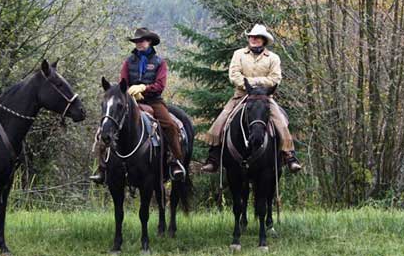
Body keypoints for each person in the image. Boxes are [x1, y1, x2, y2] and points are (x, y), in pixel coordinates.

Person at [200, 24, 301, 173]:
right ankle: (213, 158)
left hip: (264, 97)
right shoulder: (238, 54)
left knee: (281, 122)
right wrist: (249, 85)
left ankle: (289, 155)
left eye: (257, 37)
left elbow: (275, 79)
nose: (253, 39)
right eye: (251, 37)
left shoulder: (273, 58)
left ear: (263, 40)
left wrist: (252, 83)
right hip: (241, 95)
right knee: (221, 120)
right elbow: (234, 75)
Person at [91, 27, 185, 184]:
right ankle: (103, 167)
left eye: (142, 41)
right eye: (136, 42)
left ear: (149, 42)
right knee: (106, 126)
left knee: (170, 125)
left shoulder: (159, 62)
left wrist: (145, 88)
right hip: (131, 101)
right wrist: (129, 92)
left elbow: (160, 85)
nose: (139, 44)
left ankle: (175, 161)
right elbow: (123, 82)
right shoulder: (129, 61)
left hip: (154, 101)